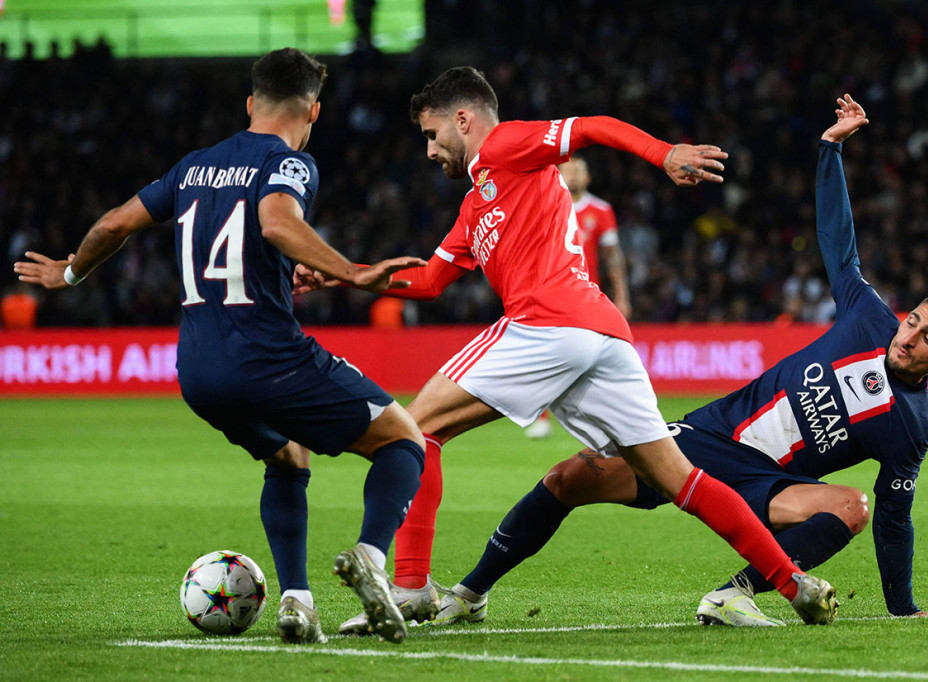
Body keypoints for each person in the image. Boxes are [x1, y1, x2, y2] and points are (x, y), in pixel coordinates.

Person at [299, 66, 837, 633]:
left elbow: (593, 126)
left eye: (433, 136)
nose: (430, 150)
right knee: (681, 479)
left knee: (413, 430)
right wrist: (342, 276)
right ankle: (792, 582)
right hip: (599, 336)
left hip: (547, 323)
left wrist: (663, 154)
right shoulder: (476, 203)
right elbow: (429, 280)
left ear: (465, 119)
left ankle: (409, 586)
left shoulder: (505, 144)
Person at [429, 95, 928, 627]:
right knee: (568, 477)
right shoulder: (867, 317)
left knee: (852, 506)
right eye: (913, 322)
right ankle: (470, 592)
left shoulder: (912, 426)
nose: (909, 337)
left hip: (771, 486)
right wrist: (830, 150)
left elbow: (893, 517)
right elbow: (838, 240)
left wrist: (903, 608)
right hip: (712, 438)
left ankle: (734, 595)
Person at [14, 48, 429, 645]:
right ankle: (370, 557)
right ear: (313, 110)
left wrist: (71, 273)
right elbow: (276, 224)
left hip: (200, 374)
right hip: (271, 361)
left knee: (287, 456)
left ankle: (296, 603)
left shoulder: (193, 166)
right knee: (403, 439)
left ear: (250, 103)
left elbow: (112, 225)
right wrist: (352, 272)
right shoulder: (287, 163)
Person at [524, 155, 631, 439]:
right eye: (567, 170)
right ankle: (543, 418)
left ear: (588, 178)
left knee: (593, 360)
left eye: (578, 171)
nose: (572, 176)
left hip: (587, 298)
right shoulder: (543, 206)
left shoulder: (601, 210)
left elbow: (612, 257)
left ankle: (608, 417)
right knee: (545, 355)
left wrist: (621, 295)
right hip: (549, 295)